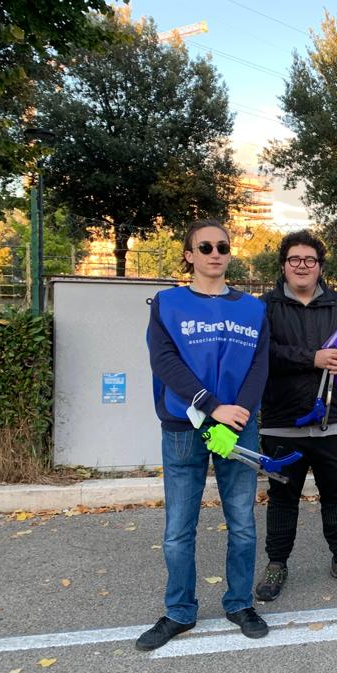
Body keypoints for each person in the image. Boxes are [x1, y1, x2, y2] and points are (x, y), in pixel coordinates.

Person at [138, 218, 270, 651]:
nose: (216, 254)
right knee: (179, 527)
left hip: (238, 425)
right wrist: (211, 405)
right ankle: (179, 611)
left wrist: (239, 411)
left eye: (223, 247)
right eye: (206, 247)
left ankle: (239, 604)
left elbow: (258, 366)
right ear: (189, 255)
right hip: (185, 426)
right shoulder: (168, 303)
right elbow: (164, 361)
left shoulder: (252, 308)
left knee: (243, 524)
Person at [255, 229, 337, 603]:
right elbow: (262, 353)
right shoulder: (265, 307)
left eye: (310, 260)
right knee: (282, 496)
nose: (302, 266)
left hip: (333, 420)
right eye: (295, 260)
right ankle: (276, 563)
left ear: (320, 266)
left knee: (336, 493)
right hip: (281, 421)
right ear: (284, 266)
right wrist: (312, 358)